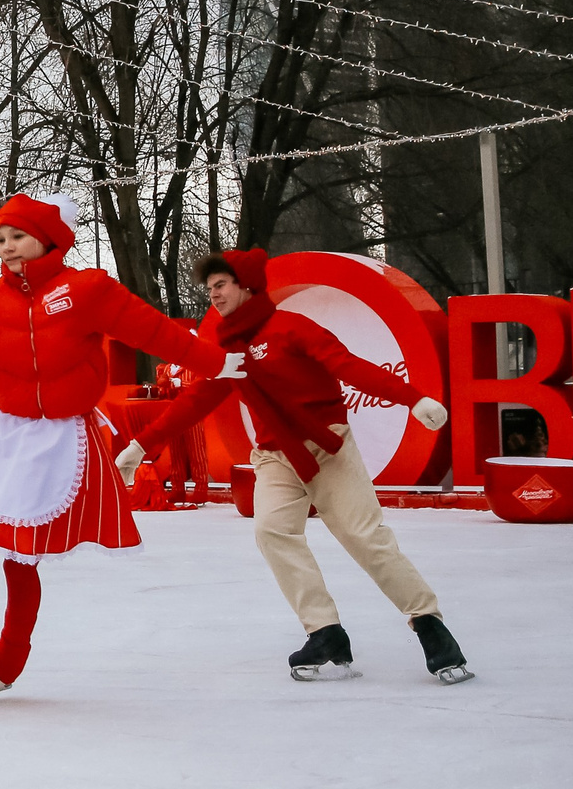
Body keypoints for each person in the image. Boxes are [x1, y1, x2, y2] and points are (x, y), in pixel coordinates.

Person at [0, 192, 238, 715]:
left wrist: (214, 362)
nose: (9, 246)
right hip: (6, 436)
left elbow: (153, 330)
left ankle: (8, 657)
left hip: (57, 439)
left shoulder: (86, 290)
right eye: (1, 238)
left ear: (48, 238)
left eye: (18, 235)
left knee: (20, 554)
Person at [124, 248, 470, 684]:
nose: (213, 294)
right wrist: (140, 444)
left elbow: (349, 366)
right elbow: (194, 401)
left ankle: (429, 624)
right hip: (274, 456)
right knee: (272, 531)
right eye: (209, 288)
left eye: (221, 285)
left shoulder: (292, 327)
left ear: (246, 284)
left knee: (365, 538)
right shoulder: (226, 350)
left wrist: (412, 398)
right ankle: (325, 631)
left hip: (329, 447)